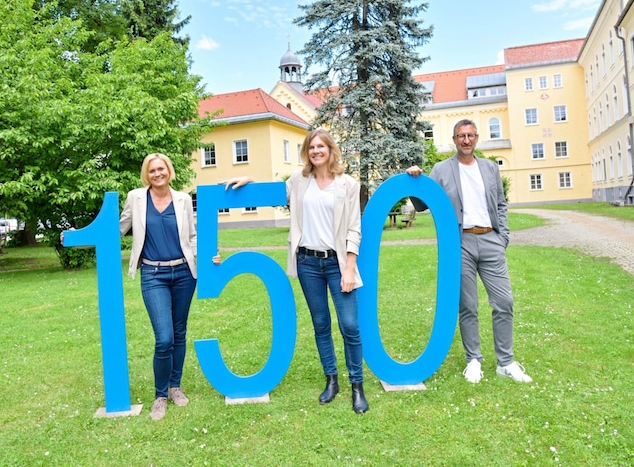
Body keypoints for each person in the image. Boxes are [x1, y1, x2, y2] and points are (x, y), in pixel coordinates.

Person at [219, 129, 369, 413]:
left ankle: (357, 386)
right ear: (307, 152)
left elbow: (353, 229)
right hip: (308, 263)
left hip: (338, 265)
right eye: (311, 147)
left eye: (321, 146)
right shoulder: (299, 181)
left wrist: (349, 268)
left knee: (350, 325)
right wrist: (248, 179)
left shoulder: (347, 184)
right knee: (321, 324)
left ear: (330, 149)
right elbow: (277, 191)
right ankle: (331, 380)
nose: (316, 151)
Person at [406, 119, 532, 384]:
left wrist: (503, 236)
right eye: (461, 136)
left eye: (470, 135)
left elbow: (500, 203)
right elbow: (421, 205)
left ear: (476, 138)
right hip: (459, 244)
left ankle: (505, 362)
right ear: (454, 140)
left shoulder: (489, 167)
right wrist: (415, 180)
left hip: (490, 240)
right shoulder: (441, 169)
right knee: (468, 305)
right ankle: (473, 359)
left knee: (504, 302)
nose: (466, 140)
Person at [120, 153, 198, 420]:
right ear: (147, 174)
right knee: (164, 338)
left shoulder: (183, 199)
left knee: (179, 332)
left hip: (184, 273)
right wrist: (75, 233)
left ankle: (175, 386)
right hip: (153, 274)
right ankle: (160, 395)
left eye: (161, 169)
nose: (157, 174)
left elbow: (192, 235)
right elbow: (116, 229)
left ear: (169, 171)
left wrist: (210, 256)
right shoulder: (136, 198)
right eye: (152, 170)